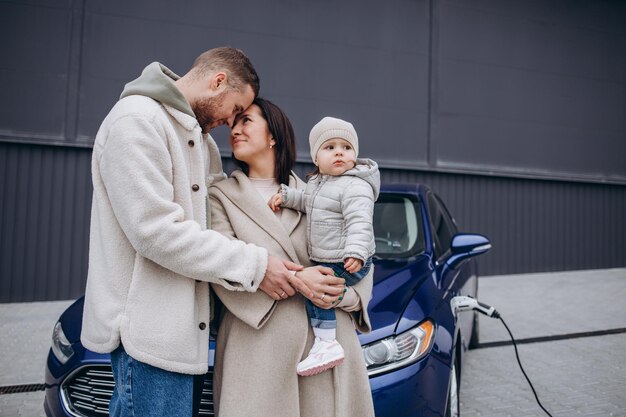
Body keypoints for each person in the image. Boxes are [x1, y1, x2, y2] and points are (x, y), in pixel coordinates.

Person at [80, 47, 316, 417]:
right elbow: (155, 231)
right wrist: (257, 266)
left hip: (185, 336)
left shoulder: (199, 141)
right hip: (149, 336)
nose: (231, 123)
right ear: (218, 81)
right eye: (235, 110)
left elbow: (218, 225)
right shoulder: (137, 121)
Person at [209, 98, 375, 417]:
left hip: (326, 348)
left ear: (273, 136)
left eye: (246, 121)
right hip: (257, 349)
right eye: (234, 123)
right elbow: (220, 263)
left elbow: (363, 248)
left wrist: (346, 295)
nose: (235, 129)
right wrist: (299, 280)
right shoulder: (220, 197)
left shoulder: (325, 191)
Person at [269, 116, 380, 376]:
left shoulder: (355, 186)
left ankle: (327, 344)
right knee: (318, 285)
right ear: (317, 158)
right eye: (330, 147)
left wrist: (356, 252)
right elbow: (309, 202)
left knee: (317, 290)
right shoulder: (321, 184)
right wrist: (286, 197)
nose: (339, 152)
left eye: (346, 147)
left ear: (355, 155)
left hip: (348, 258)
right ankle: (325, 342)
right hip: (331, 256)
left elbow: (360, 222)